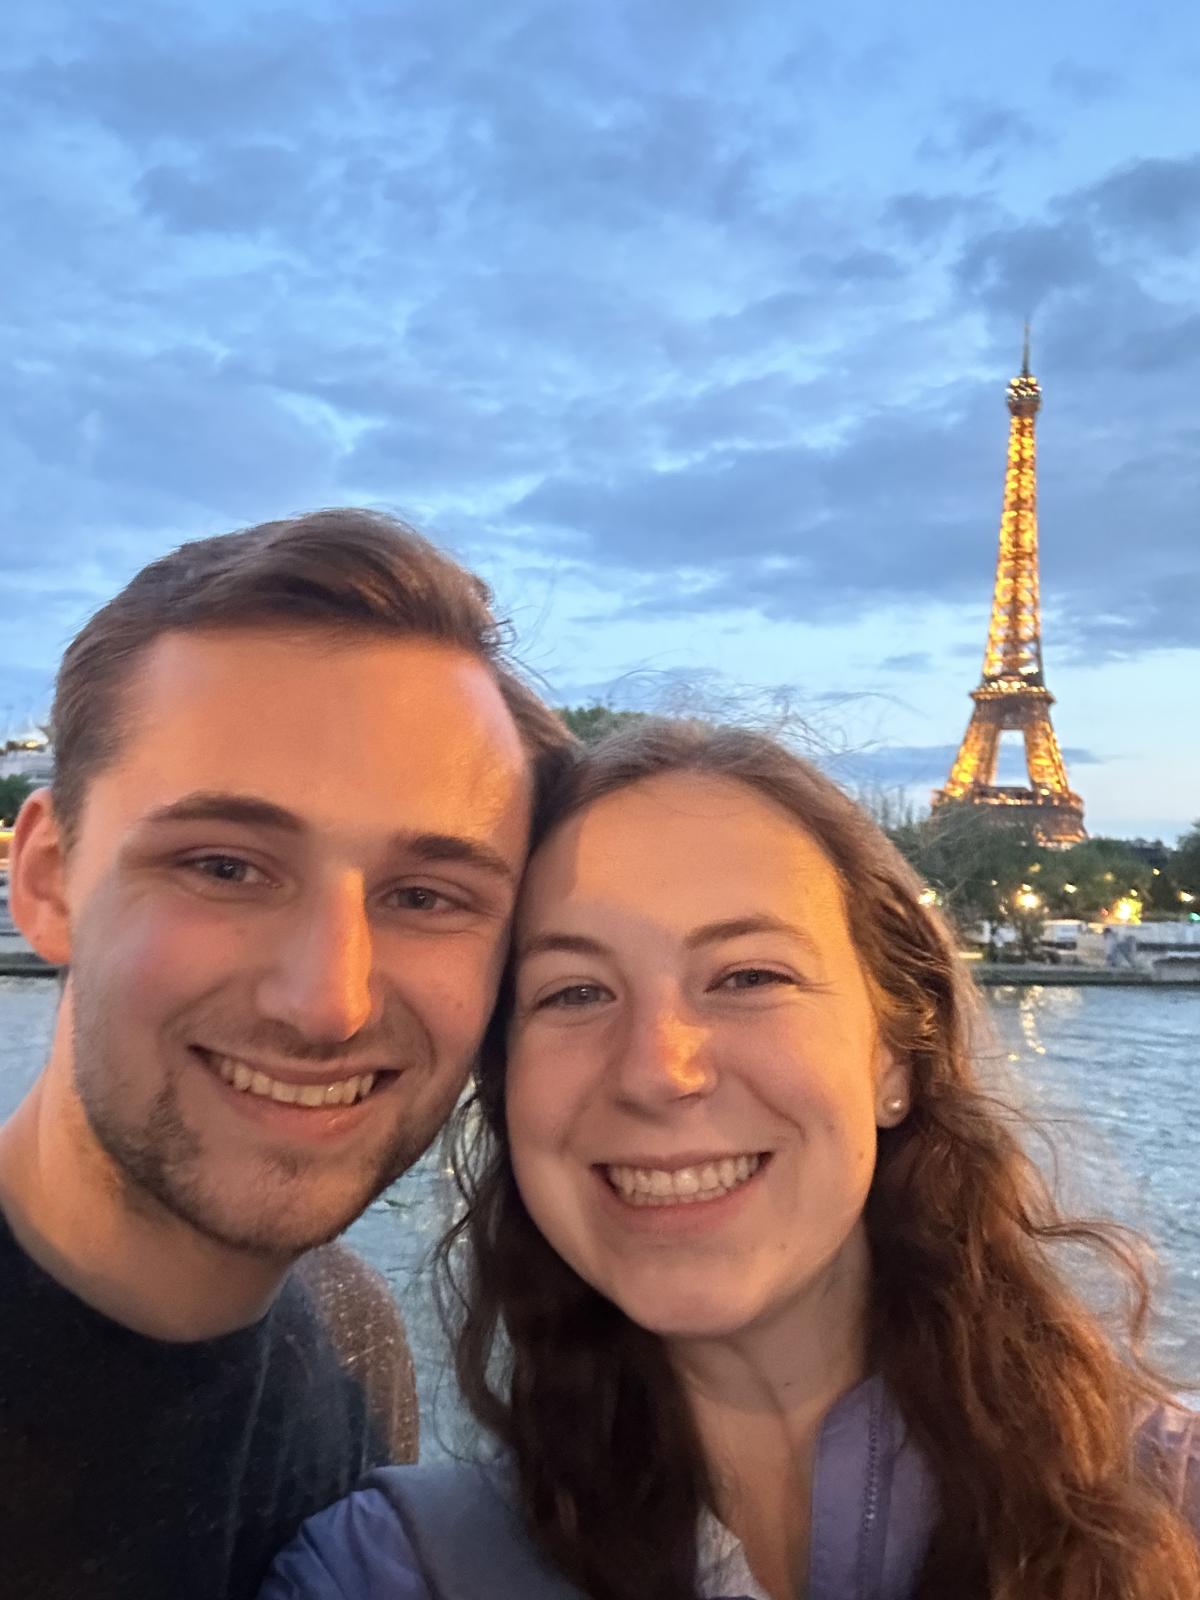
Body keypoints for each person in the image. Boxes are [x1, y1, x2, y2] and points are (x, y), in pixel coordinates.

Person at [262, 720, 1199, 1600]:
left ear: (895, 1056)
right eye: (575, 991)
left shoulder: (1179, 1496)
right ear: (507, 1088)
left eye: (749, 977)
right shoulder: (384, 1570)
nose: (657, 1072)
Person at [0, 508, 573, 1600]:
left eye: (425, 895)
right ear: (48, 881)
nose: (329, 1002)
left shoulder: (352, 1340)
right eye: (224, 867)